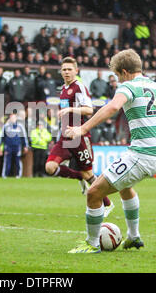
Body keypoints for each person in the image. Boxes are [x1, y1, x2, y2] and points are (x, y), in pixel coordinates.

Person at [65, 49, 156, 253]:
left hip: (142, 154)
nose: (118, 81)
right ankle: (134, 237)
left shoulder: (129, 86)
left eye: (117, 76)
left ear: (124, 72)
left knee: (94, 192)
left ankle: (91, 244)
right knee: (125, 186)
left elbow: (112, 107)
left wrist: (82, 128)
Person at [44, 57, 113, 217]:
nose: (66, 72)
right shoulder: (63, 89)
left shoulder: (79, 87)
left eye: (69, 69)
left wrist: (70, 110)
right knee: (50, 168)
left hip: (80, 137)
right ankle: (79, 177)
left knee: (89, 175)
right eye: (64, 69)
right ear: (60, 72)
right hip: (65, 137)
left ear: (76, 71)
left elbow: (89, 109)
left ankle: (107, 204)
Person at [0, 113, 28, 178]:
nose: (13, 119)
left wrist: (25, 146)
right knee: (7, 161)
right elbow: (2, 137)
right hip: (8, 147)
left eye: (14, 118)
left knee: (18, 161)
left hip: (17, 147)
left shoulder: (20, 126)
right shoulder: (6, 126)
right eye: (11, 118)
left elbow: (24, 137)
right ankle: (5, 175)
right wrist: (0, 147)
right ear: (10, 118)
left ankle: (18, 175)